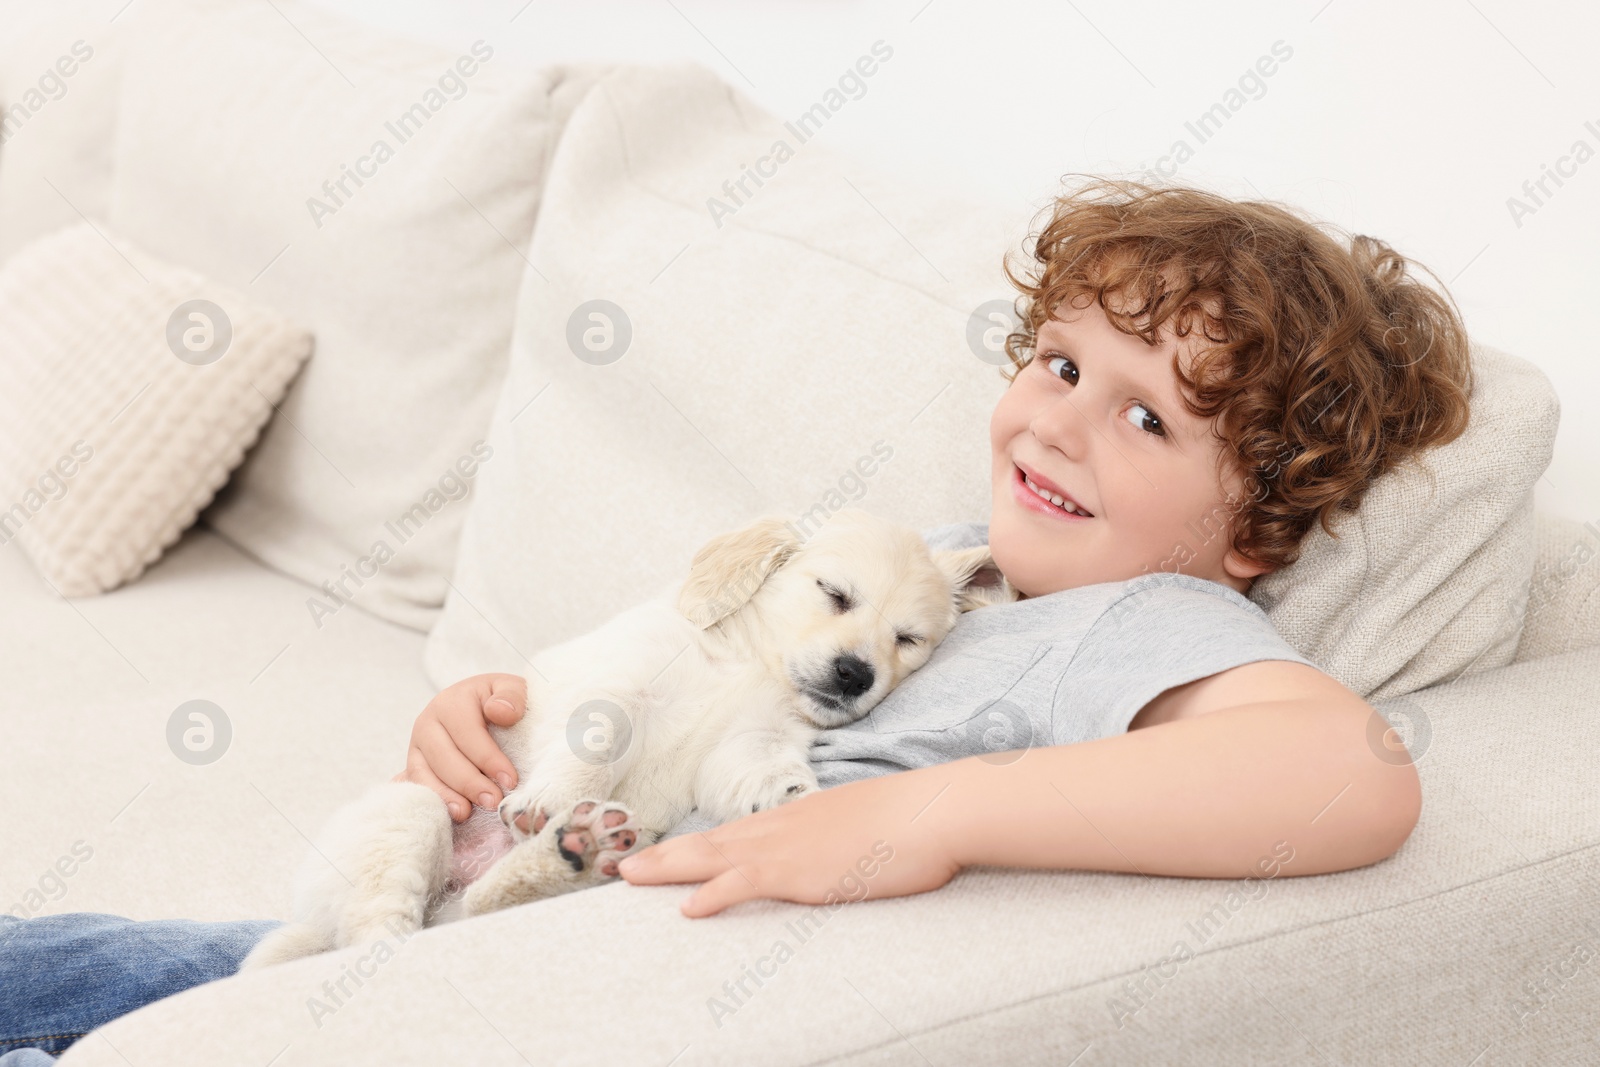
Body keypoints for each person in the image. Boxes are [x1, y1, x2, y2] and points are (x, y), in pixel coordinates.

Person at [0, 178, 1473, 1061]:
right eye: (1058, 363)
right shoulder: (939, 568)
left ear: (1256, 533)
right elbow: (683, 674)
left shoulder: (1148, 628)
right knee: (91, 958)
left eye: (1145, 415)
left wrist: (924, 821)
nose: (1059, 426)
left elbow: (1351, 775)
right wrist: (495, 726)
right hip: (475, 893)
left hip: (548, 985)